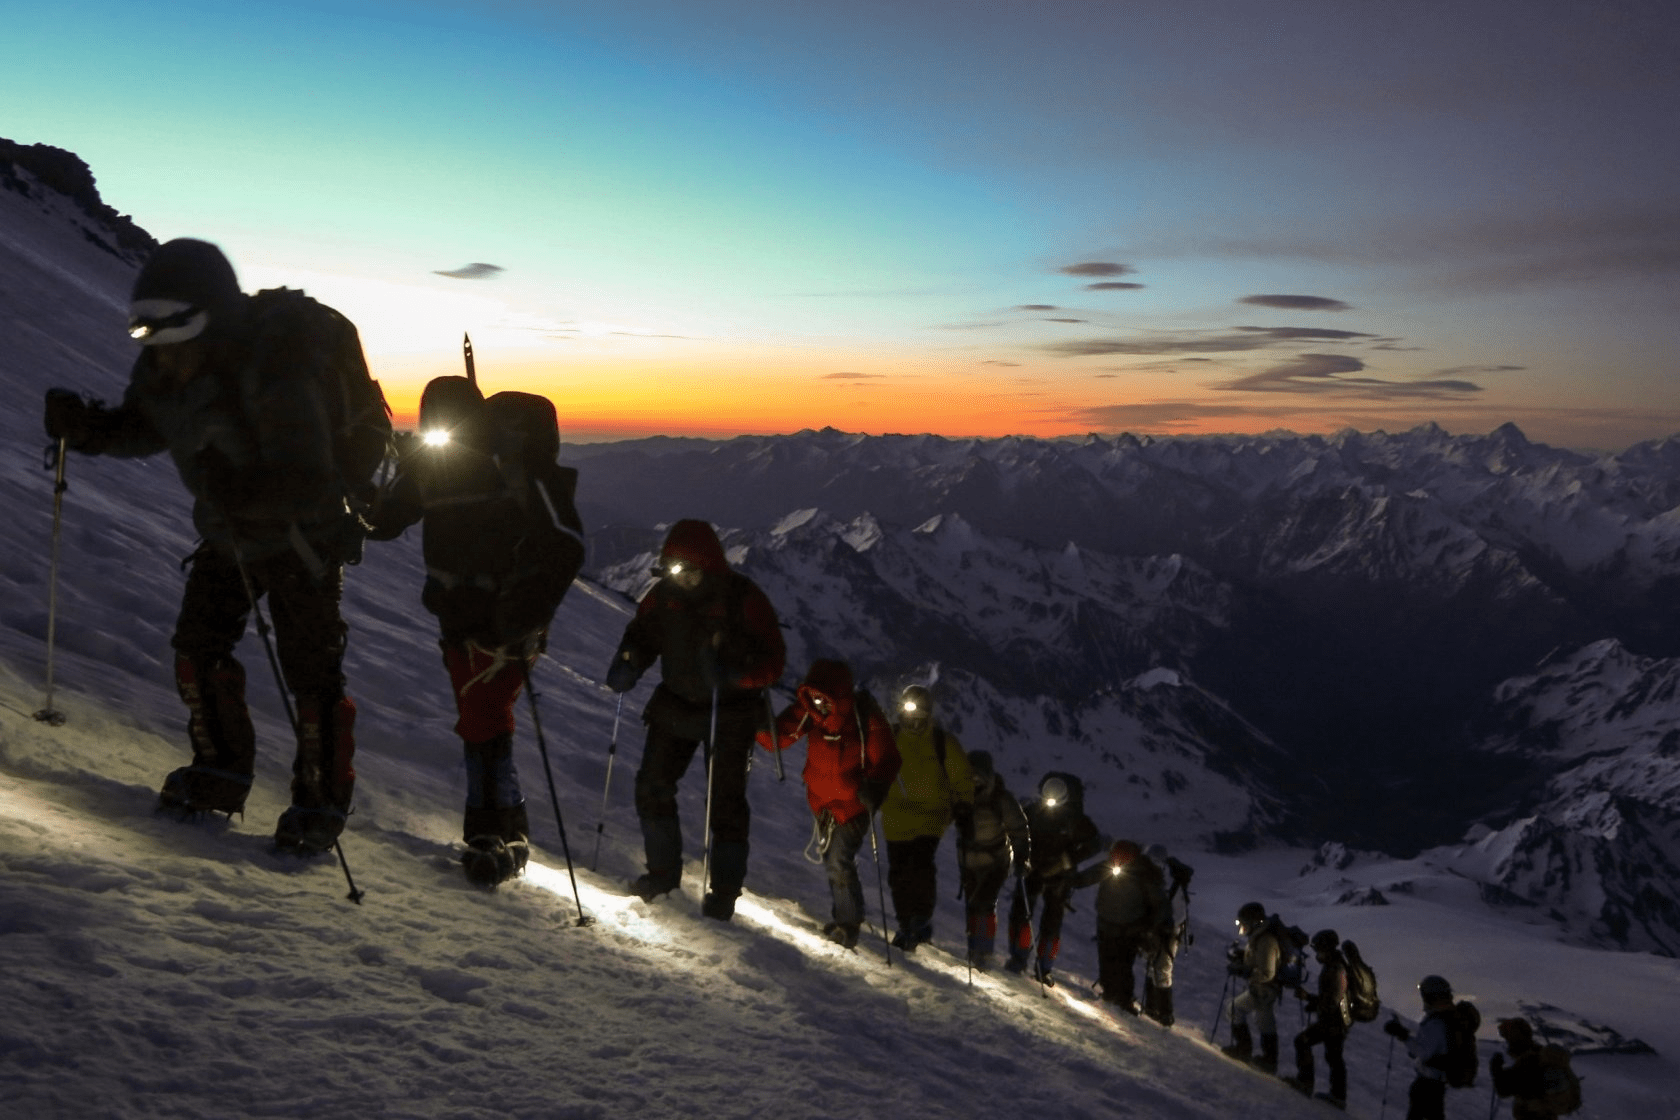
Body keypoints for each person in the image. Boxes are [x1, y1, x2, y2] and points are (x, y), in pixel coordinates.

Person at [42, 238, 388, 854]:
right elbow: (146, 426)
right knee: (198, 647)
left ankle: (319, 804)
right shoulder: (164, 367)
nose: (159, 343)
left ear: (212, 315)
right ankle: (221, 772)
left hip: (302, 541)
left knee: (310, 671)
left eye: (174, 324)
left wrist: (244, 492)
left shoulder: (273, 366)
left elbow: (307, 475)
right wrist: (87, 429)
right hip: (230, 534)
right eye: (144, 326)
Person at [368, 376, 584, 884]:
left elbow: (565, 545)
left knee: (482, 717)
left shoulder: (509, 469)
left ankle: (489, 832)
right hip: (472, 619)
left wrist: (525, 612)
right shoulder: (446, 467)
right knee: (482, 716)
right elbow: (383, 521)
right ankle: (507, 829)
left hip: (503, 623)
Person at [605, 519, 785, 919]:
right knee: (652, 786)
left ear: (707, 564)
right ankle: (663, 874)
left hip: (730, 712)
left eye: (688, 569)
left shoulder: (742, 599)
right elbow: (642, 636)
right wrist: (628, 661)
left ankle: (723, 891)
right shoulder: (662, 598)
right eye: (673, 569)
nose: (680, 578)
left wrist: (738, 676)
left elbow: (774, 660)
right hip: (678, 704)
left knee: (725, 804)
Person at [760, 659, 901, 948]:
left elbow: (887, 759)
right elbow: (779, 738)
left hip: (854, 805)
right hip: (822, 803)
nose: (817, 702)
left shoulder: (866, 719)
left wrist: (874, 789)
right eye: (813, 696)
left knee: (838, 860)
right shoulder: (811, 713)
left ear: (839, 696)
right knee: (833, 861)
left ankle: (848, 925)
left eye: (823, 697)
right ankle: (845, 917)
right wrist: (759, 722)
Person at [881, 684, 975, 952]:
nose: (913, 721)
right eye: (910, 714)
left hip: (931, 818)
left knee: (919, 866)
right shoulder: (892, 736)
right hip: (896, 817)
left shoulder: (942, 742)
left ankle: (919, 921)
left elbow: (962, 778)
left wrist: (964, 807)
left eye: (919, 715)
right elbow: (876, 763)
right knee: (899, 874)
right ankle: (906, 924)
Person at [1005, 771, 1104, 985]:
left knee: (1048, 922)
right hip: (1036, 870)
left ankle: (1042, 966)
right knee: (1023, 914)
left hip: (1059, 877)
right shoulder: (1036, 811)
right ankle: (1020, 958)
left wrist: (1065, 861)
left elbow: (1094, 844)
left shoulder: (1074, 819)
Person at [1072, 839, 1167, 1013]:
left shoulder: (1143, 873)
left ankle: (1122, 999)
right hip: (1114, 925)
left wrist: (1152, 928)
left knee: (1121, 964)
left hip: (1127, 927)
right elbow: (1084, 878)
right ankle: (1113, 995)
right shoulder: (1131, 869)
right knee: (1112, 962)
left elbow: (1158, 903)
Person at [956, 749, 1029, 970]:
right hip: (969, 859)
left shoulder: (1000, 798)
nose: (975, 780)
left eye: (978, 776)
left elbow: (1018, 829)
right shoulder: (960, 795)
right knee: (972, 904)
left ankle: (983, 953)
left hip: (995, 861)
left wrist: (1021, 858)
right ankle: (975, 950)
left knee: (984, 904)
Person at [1382, 974, 1467, 1120]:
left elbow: (1423, 1052)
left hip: (1428, 1084)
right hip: (1435, 1083)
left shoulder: (1435, 1023)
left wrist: (1403, 1035)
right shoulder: (1441, 1020)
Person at [1284, 929, 1351, 1109]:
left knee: (1303, 1042)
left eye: (1319, 949)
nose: (1317, 953)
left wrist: (1310, 999)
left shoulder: (1336, 968)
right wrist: (1314, 1003)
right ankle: (1338, 1096)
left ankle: (1306, 1083)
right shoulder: (1334, 965)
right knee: (1333, 1056)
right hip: (1338, 1022)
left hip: (1333, 1023)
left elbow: (1333, 1000)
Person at [1223, 901, 1287, 1073]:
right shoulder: (1260, 937)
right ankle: (1268, 1060)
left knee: (1235, 1009)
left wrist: (1245, 972)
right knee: (1263, 1021)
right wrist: (1241, 957)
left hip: (1264, 989)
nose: (1242, 928)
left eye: (1243, 924)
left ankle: (1245, 1050)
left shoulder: (1266, 940)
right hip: (1264, 990)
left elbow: (1267, 972)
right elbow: (1256, 960)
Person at [1140, 842, 1193, 1026]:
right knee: (1152, 964)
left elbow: (1178, 913)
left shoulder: (1172, 884)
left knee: (1162, 967)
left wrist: (1167, 928)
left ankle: (1164, 1012)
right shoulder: (1159, 879)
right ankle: (1152, 1007)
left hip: (1169, 932)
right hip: (1159, 928)